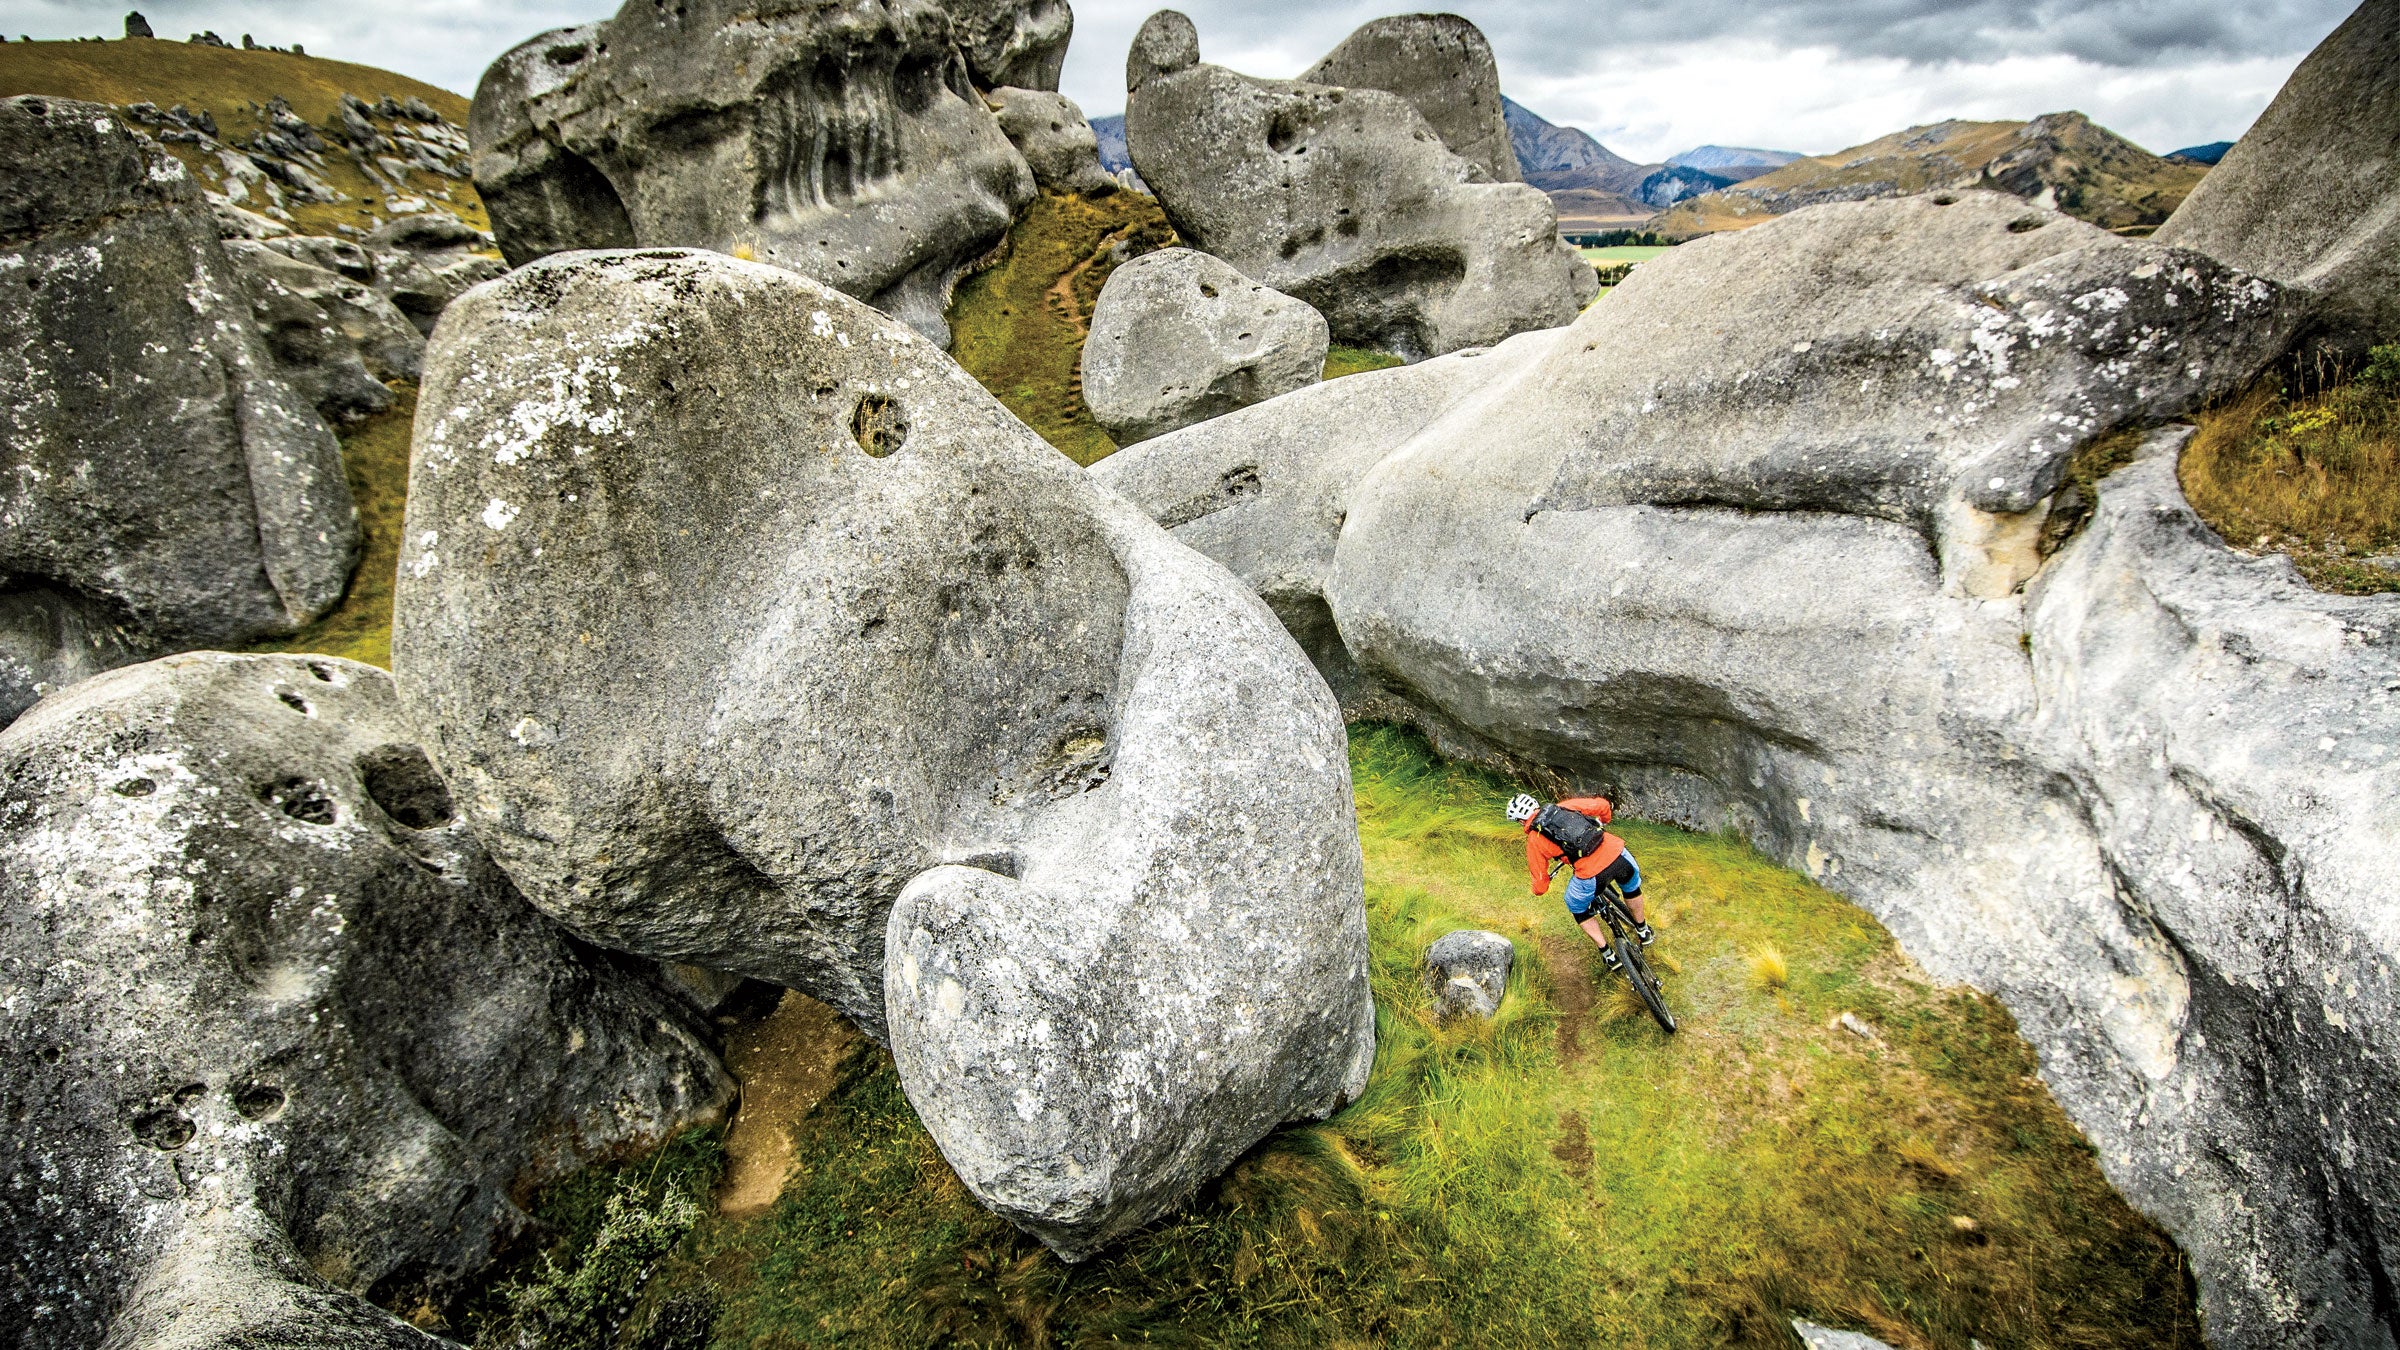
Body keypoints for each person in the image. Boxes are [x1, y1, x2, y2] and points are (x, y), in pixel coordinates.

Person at [1509, 792, 1652, 972]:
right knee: (1631, 887)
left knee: (1575, 905)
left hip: (1591, 874)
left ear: (1521, 821)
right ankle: (1643, 930)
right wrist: (1605, 820)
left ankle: (1608, 953)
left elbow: (1539, 886)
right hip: (1617, 852)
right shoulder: (1565, 806)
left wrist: (1543, 885)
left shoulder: (1534, 840)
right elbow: (1602, 806)